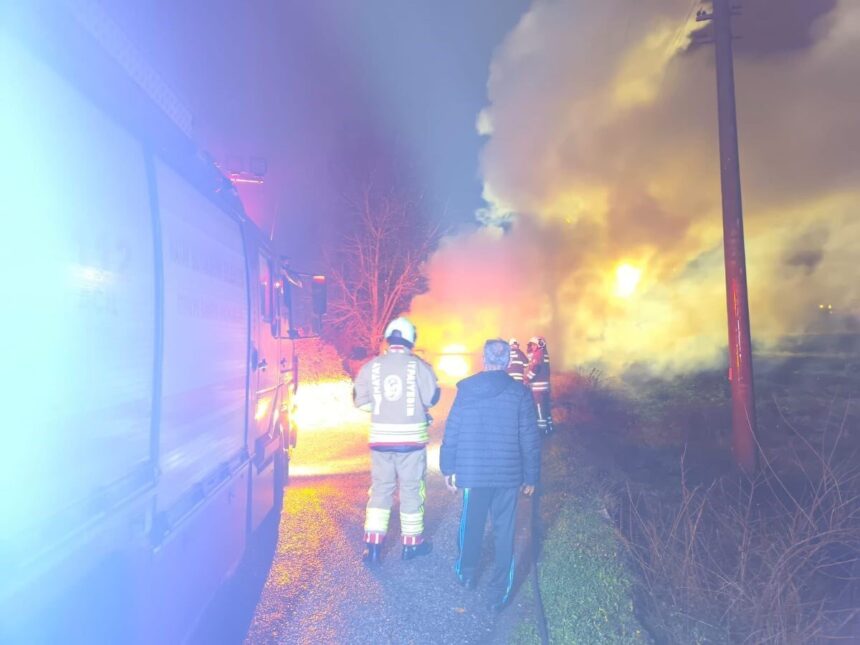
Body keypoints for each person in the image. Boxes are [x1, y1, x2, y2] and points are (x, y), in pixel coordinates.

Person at [440, 339, 540, 611]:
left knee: (470, 524)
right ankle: (499, 593)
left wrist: (448, 468)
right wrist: (531, 476)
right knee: (504, 530)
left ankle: (467, 572)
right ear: (508, 362)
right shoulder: (519, 393)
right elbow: (529, 438)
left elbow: (453, 430)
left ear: (483, 360)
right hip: (508, 476)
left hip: (473, 474)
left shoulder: (466, 389)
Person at [353, 317, 440, 565]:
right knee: (411, 489)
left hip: (380, 441)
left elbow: (360, 401)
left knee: (380, 490)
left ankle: (373, 546)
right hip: (411, 443)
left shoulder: (372, 367)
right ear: (411, 340)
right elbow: (432, 398)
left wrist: (383, 409)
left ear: (389, 339)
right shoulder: (419, 367)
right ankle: (411, 544)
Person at [525, 336, 553, 436]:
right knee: (546, 408)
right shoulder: (544, 353)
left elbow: (535, 368)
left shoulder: (538, 354)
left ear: (537, 345)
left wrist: (526, 379)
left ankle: (542, 431)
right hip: (545, 387)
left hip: (538, 389)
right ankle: (549, 428)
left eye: (532, 345)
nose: (531, 347)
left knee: (539, 409)